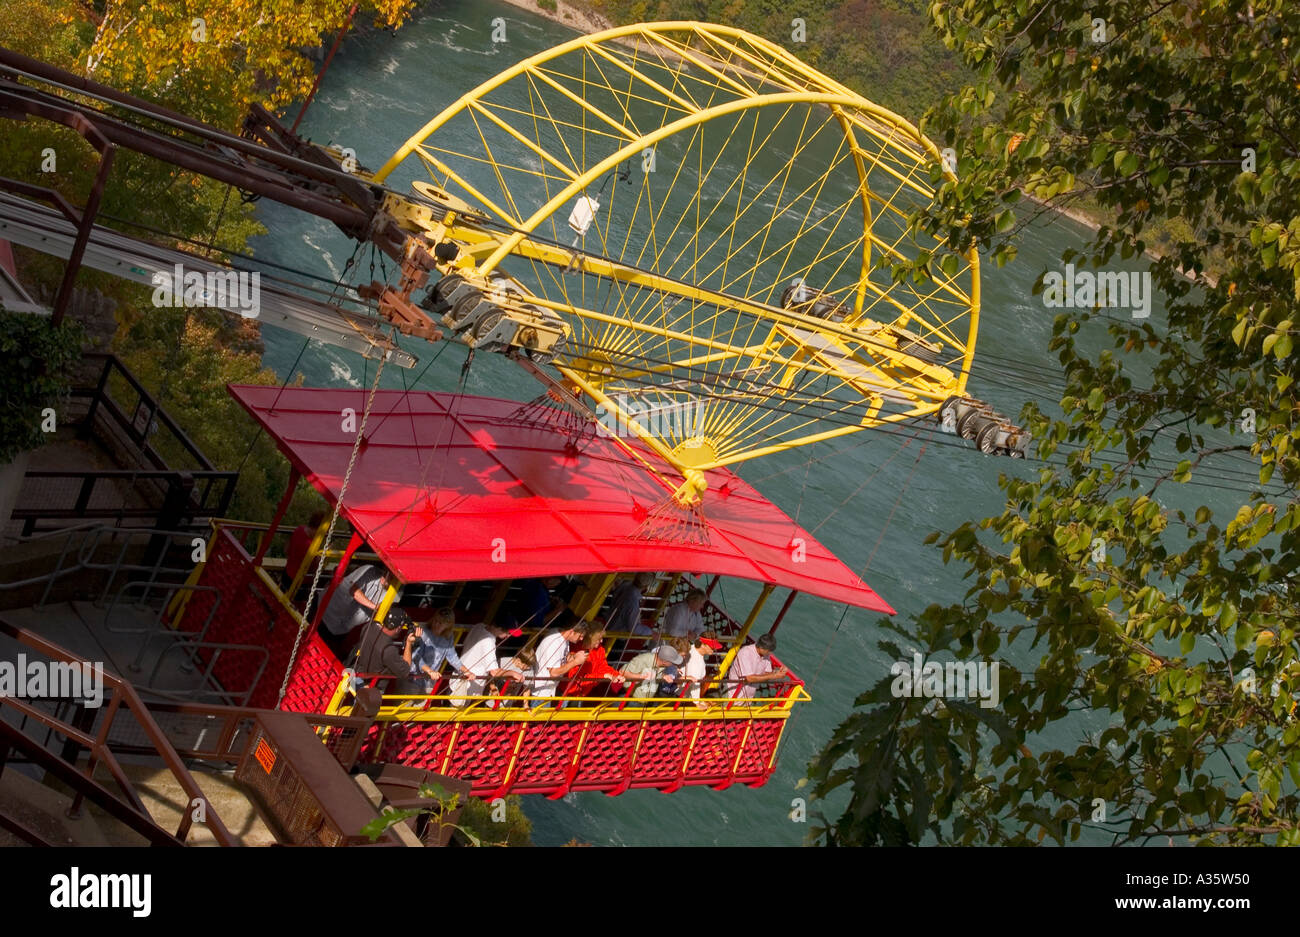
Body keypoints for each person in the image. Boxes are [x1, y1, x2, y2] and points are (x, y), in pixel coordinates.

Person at [320, 563, 389, 658]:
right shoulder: (370, 570)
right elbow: (354, 591)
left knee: (325, 657)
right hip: (324, 612)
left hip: (340, 629)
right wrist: (374, 607)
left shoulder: (392, 593)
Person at [351, 607, 422, 695]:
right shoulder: (389, 649)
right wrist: (408, 643)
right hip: (371, 688)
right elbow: (405, 671)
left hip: (355, 675)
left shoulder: (369, 626)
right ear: (397, 628)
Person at [405, 608, 476, 694]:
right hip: (412, 679)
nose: (436, 624)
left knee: (423, 707)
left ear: (448, 625)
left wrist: (466, 671)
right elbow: (416, 656)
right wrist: (429, 671)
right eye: (436, 621)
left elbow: (452, 658)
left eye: (441, 623)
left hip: (429, 682)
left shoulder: (448, 638)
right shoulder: (423, 632)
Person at [449, 620, 520, 706]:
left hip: (456, 678)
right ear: (499, 628)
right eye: (508, 633)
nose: (508, 636)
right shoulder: (488, 642)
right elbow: (494, 672)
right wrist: (513, 673)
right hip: (466, 688)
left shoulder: (479, 626)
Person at [562, 618, 627, 698]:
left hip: (582, 694)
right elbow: (578, 679)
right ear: (590, 638)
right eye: (599, 638)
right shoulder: (574, 650)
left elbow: (603, 667)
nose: (602, 641)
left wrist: (616, 675)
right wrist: (603, 676)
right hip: (566, 693)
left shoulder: (599, 650)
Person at [532, 620, 589, 698]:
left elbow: (562, 658)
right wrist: (575, 662)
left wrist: (575, 656)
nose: (581, 639)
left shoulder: (563, 638)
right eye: (580, 636)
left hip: (548, 690)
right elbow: (553, 672)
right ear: (571, 632)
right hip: (541, 691)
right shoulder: (555, 642)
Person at [728, 633, 789, 700]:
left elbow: (766, 674)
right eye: (769, 651)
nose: (770, 653)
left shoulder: (766, 655)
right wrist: (774, 676)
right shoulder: (746, 653)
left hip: (747, 699)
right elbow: (749, 678)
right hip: (732, 695)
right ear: (761, 648)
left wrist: (777, 672)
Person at [284, 510, 325, 588]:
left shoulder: (299, 529)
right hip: (300, 583)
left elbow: (286, 550)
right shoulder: (311, 547)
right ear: (319, 529)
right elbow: (315, 569)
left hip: (287, 574)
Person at [683, 633, 722, 706]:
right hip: (685, 698)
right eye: (712, 647)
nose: (714, 649)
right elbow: (695, 683)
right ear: (703, 645)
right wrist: (697, 703)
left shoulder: (691, 648)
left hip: (684, 693)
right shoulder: (697, 662)